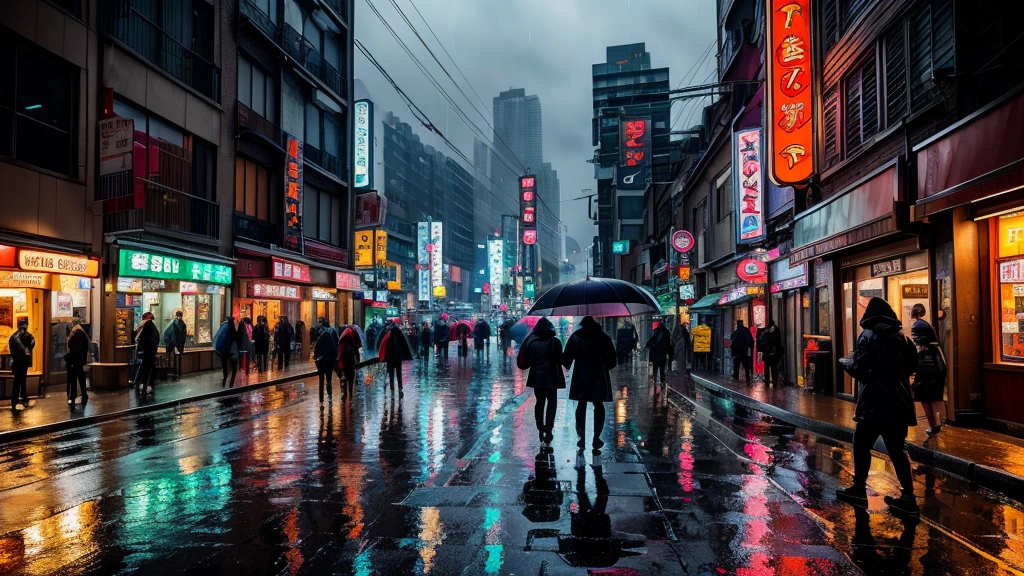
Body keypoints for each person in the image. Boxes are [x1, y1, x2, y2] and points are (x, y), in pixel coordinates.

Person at [837, 297, 920, 515]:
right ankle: (909, 497)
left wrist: (847, 365)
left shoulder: (868, 336)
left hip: (874, 402)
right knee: (897, 450)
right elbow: (912, 366)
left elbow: (862, 369)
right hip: (900, 403)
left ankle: (858, 488)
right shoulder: (903, 339)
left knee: (862, 443)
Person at [562, 316, 617, 468]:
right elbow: (612, 362)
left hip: (581, 376)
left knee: (581, 405)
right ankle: (596, 439)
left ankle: (581, 439)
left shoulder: (576, 337)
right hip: (599, 376)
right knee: (598, 405)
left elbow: (566, 359)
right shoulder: (604, 337)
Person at [517, 317, 565, 446]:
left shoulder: (532, 343)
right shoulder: (555, 342)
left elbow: (525, 361)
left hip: (537, 378)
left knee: (540, 402)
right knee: (552, 403)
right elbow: (561, 360)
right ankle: (549, 429)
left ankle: (540, 427)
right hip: (552, 378)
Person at [911, 304, 947, 437]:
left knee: (924, 396)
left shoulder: (917, 326)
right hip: (938, 364)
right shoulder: (926, 325)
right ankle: (942, 422)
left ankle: (934, 425)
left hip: (928, 366)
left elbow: (920, 345)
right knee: (936, 396)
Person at [379, 321, 413, 396]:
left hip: (390, 358)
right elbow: (404, 345)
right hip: (398, 358)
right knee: (398, 374)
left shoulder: (387, 335)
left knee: (391, 375)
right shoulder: (399, 333)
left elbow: (383, 345)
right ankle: (400, 389)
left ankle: (392, 389)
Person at [9, 318, 35, 410]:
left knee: (16, 381)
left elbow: (12, 351)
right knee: (22, 380)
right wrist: (28, 349)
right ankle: (23, 398)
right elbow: (33, 341)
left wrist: (16, 358)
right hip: (23, 362)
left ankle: (14, 400)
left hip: (17, 362)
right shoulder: (27, 335)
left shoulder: (13, 337)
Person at [312, 317, 339, 403]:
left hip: (320, 359)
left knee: (321, 378)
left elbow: (316, 345)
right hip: (330, 358)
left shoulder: (319, 331)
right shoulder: (332, 331)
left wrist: (315, 356)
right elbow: (337, 344)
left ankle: (321, 400)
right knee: (329, 379)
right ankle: (329, 397)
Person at [135, 311, 160, 395]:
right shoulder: (153, 327)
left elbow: (142, 338)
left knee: (145, 368)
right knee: (150, 369)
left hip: (148, 351)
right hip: (152, 351)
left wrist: (141, 346)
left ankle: (140, 383)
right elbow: (157, 338)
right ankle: (147, 384)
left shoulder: (146, 326)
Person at [66, 320, 90, 407]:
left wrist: (69, 338)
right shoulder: (84, 335)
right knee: (82, 379)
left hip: (74, 361)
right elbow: (85, 348)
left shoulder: (75, 336)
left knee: (73, 380)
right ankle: (84, 394)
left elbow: (71, 347)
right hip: (81, 361)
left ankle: (73, 396)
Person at [757, 320, 783, 386]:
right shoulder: (776, 330)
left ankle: (767, 381)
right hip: (773, 353)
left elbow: (762, 342)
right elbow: (778, 342)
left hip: (767, 353)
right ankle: (774, 381)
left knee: (767, 368)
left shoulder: (766, 331)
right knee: (773, 368)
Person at [214, 316, 238, 388]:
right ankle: (231, 385)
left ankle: (224, 381)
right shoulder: (233, 329)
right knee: (234, 369)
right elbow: (236, 340)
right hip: (231, 351)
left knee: (224, 367)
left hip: (223, 351)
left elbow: (218, 337)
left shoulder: (224, 326)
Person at [337, 326, 360, 398]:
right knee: (350, 378)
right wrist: (357, 361)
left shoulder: (343, 338)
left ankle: (344, 394)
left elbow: (339, 352)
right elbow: (356, 349)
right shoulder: (352, 337)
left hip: (344, 361)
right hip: (350, 361)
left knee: (344, 378)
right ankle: (350, 395)